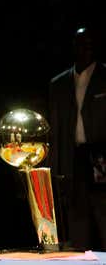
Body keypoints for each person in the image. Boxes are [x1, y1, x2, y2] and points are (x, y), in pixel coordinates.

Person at [49, 26, 106, 250]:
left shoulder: (104, 76)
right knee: (76, 219)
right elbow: (55, 130)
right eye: (80, 44)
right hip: (72, 157)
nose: (85, 49)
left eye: (89, 44)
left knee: (103, 213)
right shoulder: (59, 83)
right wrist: (55, 169)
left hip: (100, 156)